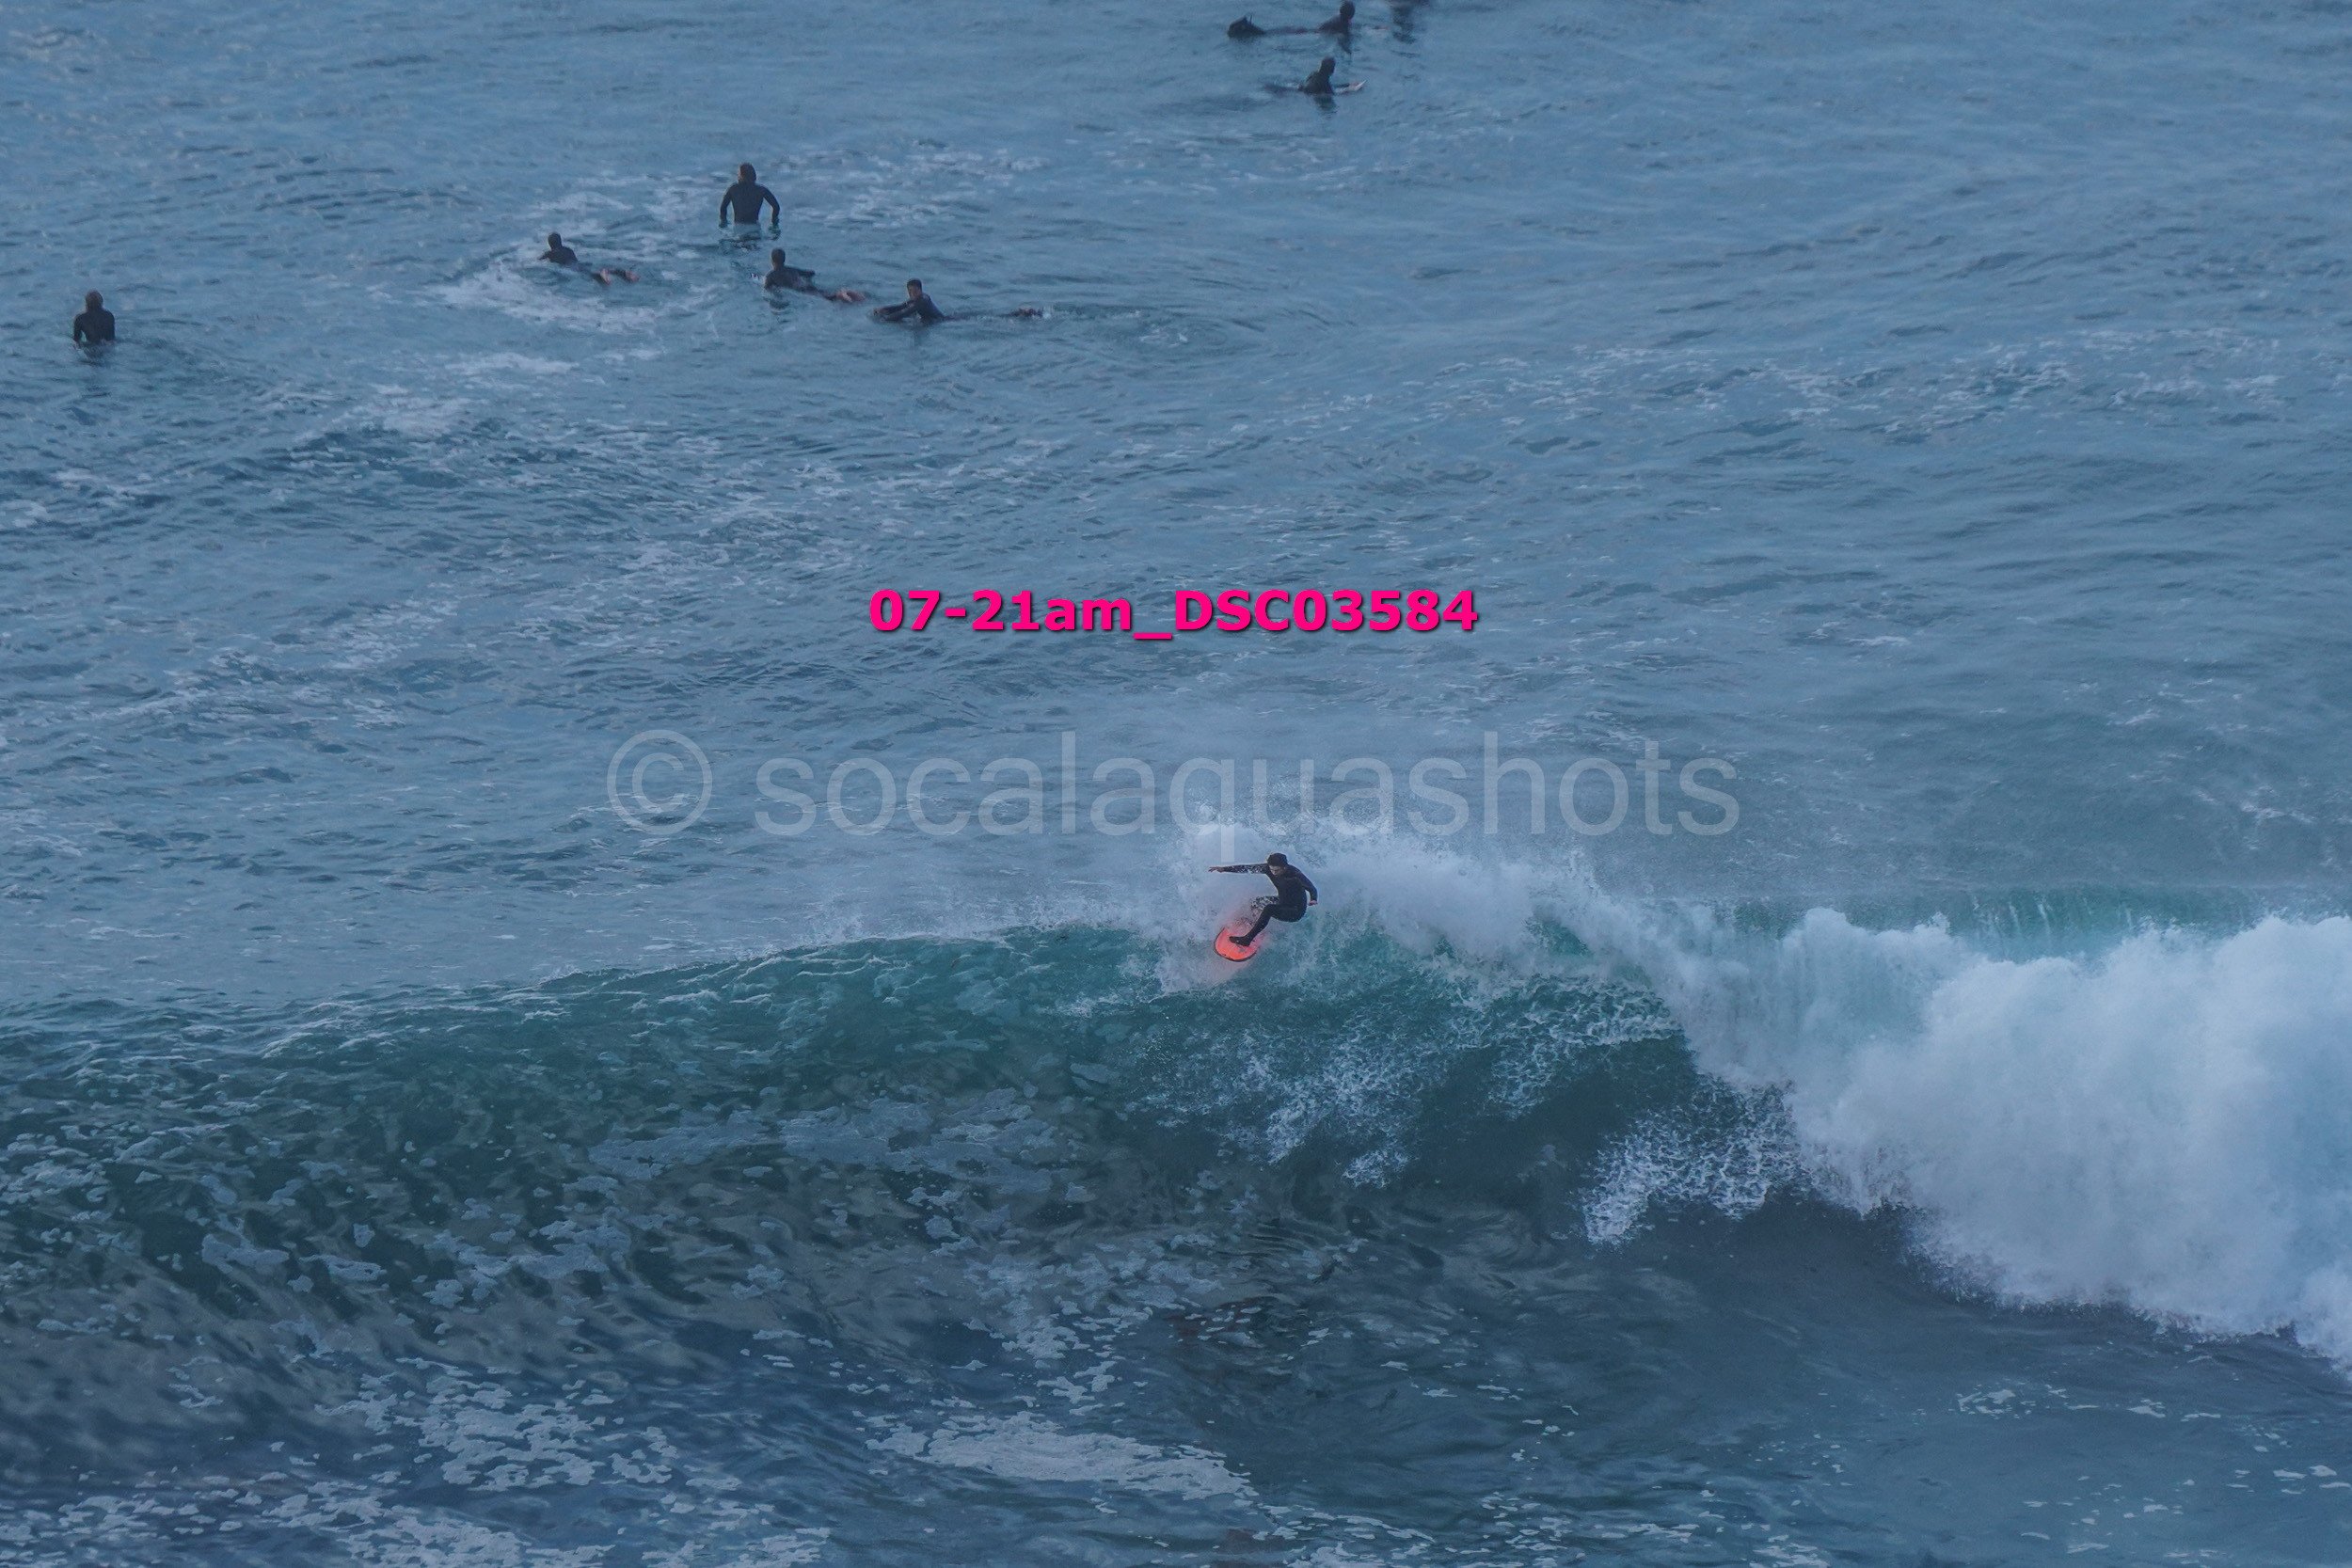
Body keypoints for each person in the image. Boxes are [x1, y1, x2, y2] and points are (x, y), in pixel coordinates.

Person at [1212, 852, 1318, 948]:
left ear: (1285, 867)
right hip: (1282, 901)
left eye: (1277, 870)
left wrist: (1313, 899)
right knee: (1256, 902)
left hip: (1295, 911)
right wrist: (1224, 869)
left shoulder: (1295, 874)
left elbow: (1311, 888)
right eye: (1272, 869)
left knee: (1269, 909)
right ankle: (1255, 925)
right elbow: (1246, 868)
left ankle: (1247, 939)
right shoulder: (1268, 869)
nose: (1274, 873)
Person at [764, 248, 864, 303]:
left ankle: (842, 294)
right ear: (784, 259)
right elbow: (810, 273)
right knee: (826, 294)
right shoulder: (792, 269)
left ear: (772, 261)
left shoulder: (771, 276)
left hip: (800, 290)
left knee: (830, 298)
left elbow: (767, 288)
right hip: (805, 285)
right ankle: (848, 293)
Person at [541, 232, 636, 284]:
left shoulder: (550, 254)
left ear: (550, 244)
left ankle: (603, 274)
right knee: (592, 270)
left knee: (591, 275)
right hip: (579, 264)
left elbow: (537, 262)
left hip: (572, 267)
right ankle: (622, 273)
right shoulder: (568, 249)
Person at [720, 163, 780, 227]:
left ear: (740, 175)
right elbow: (776, 207)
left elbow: (723, 208)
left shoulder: (733, 189)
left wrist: (724, 222)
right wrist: (774, 222)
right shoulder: (761, 190)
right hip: (754, 226)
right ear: (754, 175)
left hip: (739, 226)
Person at [871, 278, 946, 325]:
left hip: (939, 322)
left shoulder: (923, 300)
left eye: (915, 291)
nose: (912, 294)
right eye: (910, 291)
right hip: (929, 321)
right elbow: (901, 307)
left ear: (920, 290)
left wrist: (885, 319)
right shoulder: (915, 299)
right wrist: (883, 309)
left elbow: (905, 312)